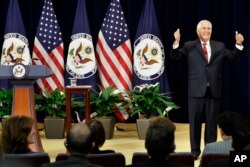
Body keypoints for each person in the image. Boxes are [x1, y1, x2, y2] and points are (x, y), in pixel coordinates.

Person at [171, 19, 244, 159]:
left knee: (211, 124)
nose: (206, 31)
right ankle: (194, 152)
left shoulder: (219, 46)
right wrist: (176, 42)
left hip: (213, 90)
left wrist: (238, 44)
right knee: (195, 123)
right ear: (198, 31)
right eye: (203, 28)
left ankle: (210, 151)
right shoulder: (190, 45)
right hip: (195, 90)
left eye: (209, 28)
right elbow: (175, 56)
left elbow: (232, 56)